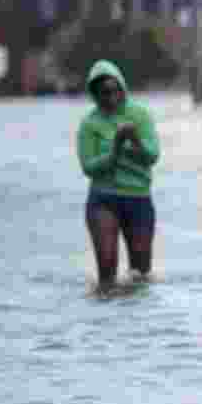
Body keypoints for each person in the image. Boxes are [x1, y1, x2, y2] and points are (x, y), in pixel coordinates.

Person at [76, 60, 161, 289]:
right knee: (107, 269)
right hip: (104, 199)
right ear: (95, 94)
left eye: (115, 90)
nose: (111, 97)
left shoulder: (140, 115)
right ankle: (105, 316)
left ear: (122, 88)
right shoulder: (89, 124)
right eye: (104, 92)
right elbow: (88, 167)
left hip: (139, 198)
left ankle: (133, 321)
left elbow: (152, 156)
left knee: (141, 275)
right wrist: (115, 148)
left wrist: (134, 141)